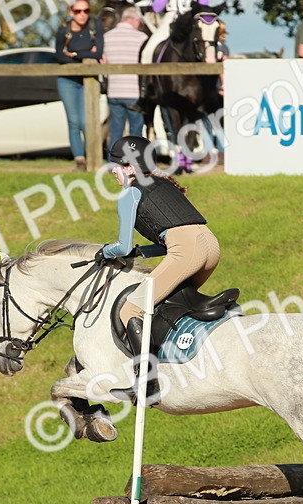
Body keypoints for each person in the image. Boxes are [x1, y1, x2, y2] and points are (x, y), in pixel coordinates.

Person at [100, 136, 221, 355]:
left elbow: (122, 247)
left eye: (115, 167)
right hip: (210, 247)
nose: (112, 173)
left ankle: (147, 380)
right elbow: (174, 238)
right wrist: (142, 252)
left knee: (131, 310)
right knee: (168, 302)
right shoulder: (165, 183)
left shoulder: (130, 193)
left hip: (187, 252)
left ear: (128, 167)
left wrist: (104, 251)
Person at [54, 1, 105, 171]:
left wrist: (75, 54)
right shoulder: (64, 30)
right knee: (74, 121)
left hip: (88, 80)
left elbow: (98, 53)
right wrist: (86, 56)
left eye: (86, 10)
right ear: (71, 12)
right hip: (67, 80)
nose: (82, 14)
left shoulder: (95, 25)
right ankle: (80, 161)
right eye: (78, 11)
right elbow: (60, 57)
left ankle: (94, 158)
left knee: (87, 121)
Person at [102, 4, 150, 147]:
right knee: (135, 131)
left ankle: (115, 164)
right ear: (133, 20)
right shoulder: (141, 38)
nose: (139, 25)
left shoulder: (106, 37)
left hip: (114, 90)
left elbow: (103, 61)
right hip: (134, 91)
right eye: (139, 22)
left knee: (116, 130)